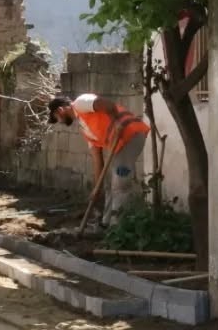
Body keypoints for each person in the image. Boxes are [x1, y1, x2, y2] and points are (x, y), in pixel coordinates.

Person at [49, 93, 151, 229]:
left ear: (60, 110)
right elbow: (97, 159)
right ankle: (106, 223)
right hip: (121, 144)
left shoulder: (80, 102)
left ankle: (117, 228)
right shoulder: (85, 128)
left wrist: (116, 122)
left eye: (56, 117)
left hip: (131, 135)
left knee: (120, 184)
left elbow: (107, 104)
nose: (59, 121)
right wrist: (97, 188)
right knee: (108, 185)